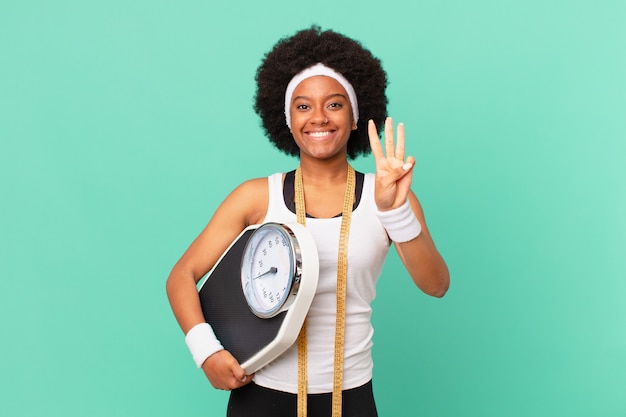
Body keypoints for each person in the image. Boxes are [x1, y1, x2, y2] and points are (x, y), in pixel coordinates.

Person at [166, 26, 449, 417]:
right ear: (287, 118)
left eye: (334, 104)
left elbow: (436, 285)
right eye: (303, 106)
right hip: (261, 397)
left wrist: (395, 211)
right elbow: (181, 275)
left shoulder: (387, 195)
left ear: (355, 118)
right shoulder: (255, 197)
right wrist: (206, 351)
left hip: (350, 397)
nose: (318, 117)